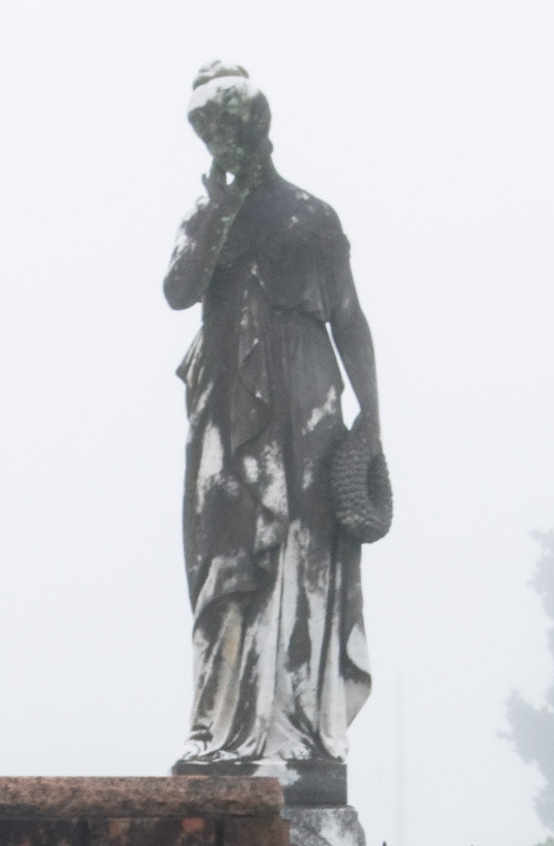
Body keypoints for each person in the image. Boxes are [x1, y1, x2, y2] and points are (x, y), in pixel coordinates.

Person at [165, 64, 382, 767]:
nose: (225, 148)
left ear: (259, 128)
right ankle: (223, 727)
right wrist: (214, 216)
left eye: (234, 131)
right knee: (227, 558)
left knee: (303, 554)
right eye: (212, 137)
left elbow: (348, 319)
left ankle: (297, 728)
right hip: (230, 404)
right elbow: (176, 291)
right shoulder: (208, 217)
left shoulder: (309, 217)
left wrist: (372, 418)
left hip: (309, 401)